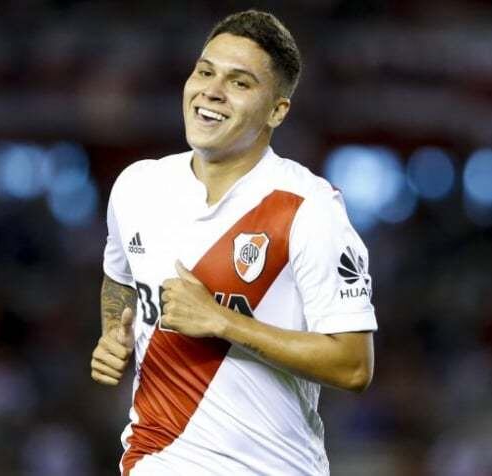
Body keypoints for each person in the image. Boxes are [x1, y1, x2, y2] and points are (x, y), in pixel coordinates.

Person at [90, 10, 377, 476]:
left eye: (239, 83)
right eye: (205, 72)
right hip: (155, 460)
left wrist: (223, 321)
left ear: (277, 111)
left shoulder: (308, 207)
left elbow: (353, 366)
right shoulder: (137, 186)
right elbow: (119, 279)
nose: (212, 91)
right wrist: (112, 332)